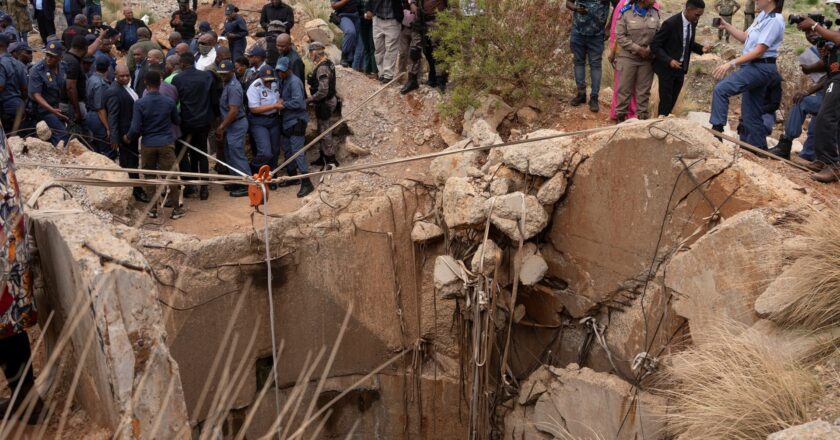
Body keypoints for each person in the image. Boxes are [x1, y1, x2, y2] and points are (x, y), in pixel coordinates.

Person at [0, 122, 44, 427]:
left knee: (8, 324)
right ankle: (27, 403)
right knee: (8, 324)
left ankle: (28, 405)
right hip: (7, 242)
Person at [710, 0, 784, 150]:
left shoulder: (774, 20)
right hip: (756, 66)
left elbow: (759, 51)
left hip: (760, 67)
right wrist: (727, 26)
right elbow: (745, 37)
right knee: (751, 115)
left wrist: (731, 63)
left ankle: (716, 133)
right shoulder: (763, 15)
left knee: (721, 89)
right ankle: (758, 148)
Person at [790, 3, 840, 181]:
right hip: (834, 77)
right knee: (826, 119)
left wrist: (814, 25)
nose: (837, 8)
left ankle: (832, 165)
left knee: (826, 117)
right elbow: (829, 62)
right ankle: (824, 160)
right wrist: (813, 65)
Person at [126, 71, 184, 219]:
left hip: (148, 144)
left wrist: (127, 138)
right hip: (166, 143)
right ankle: (176, 209)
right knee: (170, 176)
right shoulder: (169, 102)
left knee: (149, 176)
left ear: (145, 82)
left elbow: (135, 128)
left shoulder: (140, 103)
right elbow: (177, 121)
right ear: (160, 83)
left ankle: (152, 209)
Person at [768, 30, 829, 160]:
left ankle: (786, 143)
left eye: (814, 31)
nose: (810, 35)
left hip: (832, 95)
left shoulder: (833, 46)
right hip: (825, 93)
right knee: (815, 126)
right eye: (807, 33)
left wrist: (807, 91)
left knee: (802, 102)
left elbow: (831, 76)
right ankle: (810, 156)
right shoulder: (813, 51)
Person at [652, 0, 709, 116]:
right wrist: (669, 60)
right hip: (666, 68)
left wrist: (701, 49)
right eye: (697, 14)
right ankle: (660, 125)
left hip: (681, 68)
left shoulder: (693, 22)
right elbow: (655, 45)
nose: (698, 18)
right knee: (665, 101)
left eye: (700, 15)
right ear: (688, 9)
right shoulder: (670, 23)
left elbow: (688, 43)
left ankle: (667, 124)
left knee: (672, 100)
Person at [172, 52, 216, 200]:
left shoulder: (178, 79)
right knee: (202, 153)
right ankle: (204, 188)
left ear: (183, 64)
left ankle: (190, 185)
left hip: (186, 122)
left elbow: (174, 101)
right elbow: (213, 100)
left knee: (183, 153)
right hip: (203, 122)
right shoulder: (206, 76)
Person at [106, 65, 147, 201]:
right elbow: (113, 116)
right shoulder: (114, 91)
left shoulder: (127, 88)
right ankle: (135, 190)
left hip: (132, 133)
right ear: (115, 76)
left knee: (133, 161)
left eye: (127, 75)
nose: (124, 78)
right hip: (125, 135)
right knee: (129, 163)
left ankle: (134, 188)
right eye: (121, 76)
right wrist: (115, 138)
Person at [614, 0, 661, 121]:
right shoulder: (626, 12)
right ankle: (620, 117)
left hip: (647, 59)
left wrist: (650, 49)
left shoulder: (655, 12)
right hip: (628, 57)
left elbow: (659, 34)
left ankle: (642, 118)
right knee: (624, 90)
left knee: (644, 91)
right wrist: (637, 49)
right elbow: (620, 35)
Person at [276, 57, 314, 197]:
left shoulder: (294, 82)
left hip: (296, 120)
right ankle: (292, 176)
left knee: (297, 151)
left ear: (289, 69)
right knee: (287, 149)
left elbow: (299, 102)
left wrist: (283, 104)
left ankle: (306, 182)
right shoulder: (284, 80)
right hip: (287, 120)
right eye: (279, 71)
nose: (280, 73)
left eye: (282, 71)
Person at [215, 59, 250, 196]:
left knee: (237, 154)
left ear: (232, 71)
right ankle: (237, 180)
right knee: (230, 154)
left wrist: (221, 127)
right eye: (221, 73)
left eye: (225, 73)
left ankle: (247, 184)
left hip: (236, 124)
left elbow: (233, 111)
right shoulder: (227, 83)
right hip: (231, 125)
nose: (222, 75)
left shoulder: (234, 87)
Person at [566, 0, 609, 111]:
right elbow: (568, 3)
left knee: (595, 65)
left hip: (597, 34)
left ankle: (594, 98)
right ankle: (581, 94)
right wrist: (576, 8)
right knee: (578, 62)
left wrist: (609, 28)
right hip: (578, 32)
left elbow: (618, 6)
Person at [307, 42, 339, 168]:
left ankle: (331, 160)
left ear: (315, 52)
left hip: (325, 102)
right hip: (325, 101)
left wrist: (310, 99)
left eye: (310, 52)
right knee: (322, 130)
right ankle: (323, 157)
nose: (310, 55)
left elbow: (323, 90)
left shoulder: (322, 68)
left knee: (325, 132)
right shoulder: (327, 63)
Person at [29, 40, 68, 145]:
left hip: (56, 105)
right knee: (62, 133)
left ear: (60, 57)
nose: (48, 58)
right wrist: (52, 111)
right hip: (42, 109)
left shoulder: (63, 67)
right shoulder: (37, 70)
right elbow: (36, 95)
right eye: (47, 54)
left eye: (52, 56)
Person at [247, 64, 282, 173]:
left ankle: (271, 173)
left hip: (274, 120)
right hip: (259, 121)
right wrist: (274, 106)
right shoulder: (254, 87)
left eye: (271, 80)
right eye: (266, 80)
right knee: (265, 152)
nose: (269, 83)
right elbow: (254, 109)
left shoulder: (275, 84)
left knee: (275, 150)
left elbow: (279, 96)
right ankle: (253, 167)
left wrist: (281, 101)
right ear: (260, 77)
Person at [366, 0, 403, 83]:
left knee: (391, 49)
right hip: (377, 20)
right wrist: (368, 9)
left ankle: (388, 75)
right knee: (378, 49)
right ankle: (382, 73)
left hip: (393, 20)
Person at [85, 57, 112, 158]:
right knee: (106, 150)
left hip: (90, 115)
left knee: (94, 149)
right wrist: (107, 128)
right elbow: (100, 108)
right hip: (99, 118)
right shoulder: (101, 84)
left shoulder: (91, 78)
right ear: (108, 69)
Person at [0, 34, 28, 132]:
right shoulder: (18, 63)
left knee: (6, 141)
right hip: (18, 106)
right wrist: (22, 105)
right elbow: (24, 89)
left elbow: (0, 86)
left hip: (4, 107)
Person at [61, 35, 89, 130]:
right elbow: (70, 88)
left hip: (64, 102)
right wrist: (77, 111)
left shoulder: (65, 56)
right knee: (77, 131)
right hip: (70, 105)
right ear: (85, 48)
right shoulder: (73, 62)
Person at [331, 0, 361, 68]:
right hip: (343, 16)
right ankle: (344, 56)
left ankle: (353, 64)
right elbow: (334, 5)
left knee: (358, 44)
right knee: (350, 32)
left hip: (357, 16)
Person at [359, 0, 379, 76]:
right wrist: (364, 14)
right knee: (366, 47)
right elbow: (356, 7)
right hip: (362, 22)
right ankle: (367, 70)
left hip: (374, 22)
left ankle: (375, 71)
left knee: (373, 46)